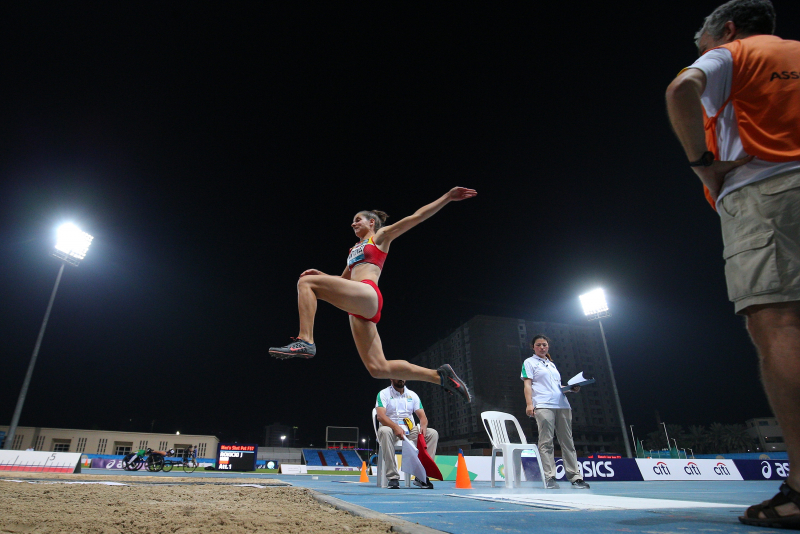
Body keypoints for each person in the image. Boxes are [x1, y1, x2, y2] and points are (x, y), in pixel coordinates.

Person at [665, 0, 800, 527]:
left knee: (780, 327)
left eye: (701, 37)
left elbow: (680, 91)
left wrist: (705, 165)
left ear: (725, 28)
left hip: (765, 193)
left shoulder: (732, 54)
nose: (699, 46)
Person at [269, 187, 476, 402]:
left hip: (368, 294)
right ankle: (440, 376)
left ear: (372, 223)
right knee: (378, 368)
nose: (353, 223)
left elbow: (417, 217)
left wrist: (447, 197)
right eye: (353, 221)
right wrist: (322, 275)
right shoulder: (353, 251)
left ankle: (306, 340)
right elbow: (342, 282)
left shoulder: (380, 237)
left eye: (358, 219)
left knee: (305, 282)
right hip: (357, 307)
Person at [521, 334, 589, 489]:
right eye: (538, 345)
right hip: (543, 405)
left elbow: (557, 388)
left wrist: (571, 389)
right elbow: (527, 385)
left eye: (544, 345)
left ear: (548, 346)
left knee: (568, 442)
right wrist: (529, 404)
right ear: (533, 347)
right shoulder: (529, 362)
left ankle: (575, 477)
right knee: (546, 442)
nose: (542, 347)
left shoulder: (551, 364)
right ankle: (549, 477)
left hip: (562, 405)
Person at [375, 378, 438, 489]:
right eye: (398, 375)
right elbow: (380, 416)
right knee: (384, 431)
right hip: (390, 430)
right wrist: (395, 427)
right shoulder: (383, 394)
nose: (401, 378)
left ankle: (421, 476)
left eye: (403, 375)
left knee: (432, 434)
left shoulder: (412, 395)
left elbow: (422, 416)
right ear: (391, 377)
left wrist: (423, 425)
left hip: (409, 430)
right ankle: (393, 477)